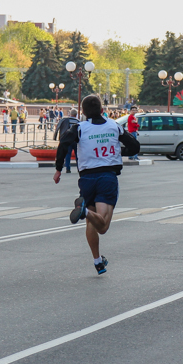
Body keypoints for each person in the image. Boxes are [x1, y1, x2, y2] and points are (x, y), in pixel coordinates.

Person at [53, 95, 140, 275]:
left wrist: (59, 169)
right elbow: (134, 147)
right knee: (103, 226)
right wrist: (118, 151)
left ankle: (98, 261)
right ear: (102, 110)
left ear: (83, 113)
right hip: (106, 178)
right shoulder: (114, 126)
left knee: (92, 221)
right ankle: (84, 211)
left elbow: (63, 143)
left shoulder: (79, 128)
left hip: (86, 180)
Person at [54, 108, 80, 173]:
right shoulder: (78, 121)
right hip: (76, 140)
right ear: (76, 114)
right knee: (77, 155)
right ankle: (79, 168)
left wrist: (55, 137)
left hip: (67, 140)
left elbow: (57, 128)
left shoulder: (64, 120)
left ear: (70, 114)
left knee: (68, 154)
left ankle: (68, 168)